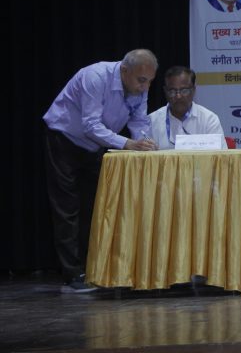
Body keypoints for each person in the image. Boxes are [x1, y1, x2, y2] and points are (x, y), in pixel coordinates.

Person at [43, 49, 159, 293]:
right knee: (67, 208)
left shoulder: (139, 85)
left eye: (150, 81)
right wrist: (128, 144)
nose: (145, 87)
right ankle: (72, 275)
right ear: (124, 71)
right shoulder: (95, 77)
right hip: (65, 140)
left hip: (96, 145)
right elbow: (91, 125)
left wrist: (145, 143)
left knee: (98, 206)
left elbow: (139, 121)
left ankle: (95, 268)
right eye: (142, 80)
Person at [148, 66, 225, 149]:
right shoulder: (152, 121)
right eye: (172, 91)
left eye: (184, 90)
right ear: (165, 91)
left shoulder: (209, 119)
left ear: (194, 90)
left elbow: (221, 154)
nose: (178, 96)